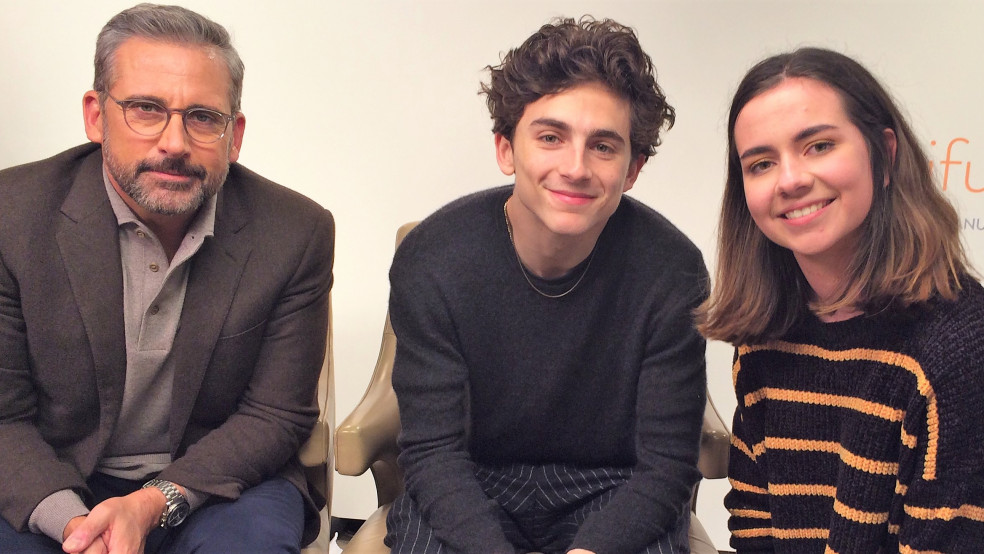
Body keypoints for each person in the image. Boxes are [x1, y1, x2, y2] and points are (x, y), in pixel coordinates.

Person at [0, 4, 334, 553]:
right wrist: (75, 525)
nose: (175, 143)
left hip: (217, 483)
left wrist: (151, 504)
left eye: (203, 117)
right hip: (52, 474)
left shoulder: (296, 232)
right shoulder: (13, 216)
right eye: (146, 109)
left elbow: (275, 415)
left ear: (235, 134)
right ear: (95, 115)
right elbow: (5, 418)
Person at [385, 17, 708, 554]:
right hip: (473, 480)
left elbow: (666, 466)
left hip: (612, 486)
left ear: (633, 170)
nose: (575, 167)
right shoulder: (434, 258)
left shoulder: (672, 271)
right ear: (506, 149)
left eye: (604, 146)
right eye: (551, 137)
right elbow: (433, 452)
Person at [696, 47, 984, 553]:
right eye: (761, 163)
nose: (790, 180)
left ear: (885, 155)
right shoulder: (764, 339)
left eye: (819, 146)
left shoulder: (959, 347)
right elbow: (754, 527)